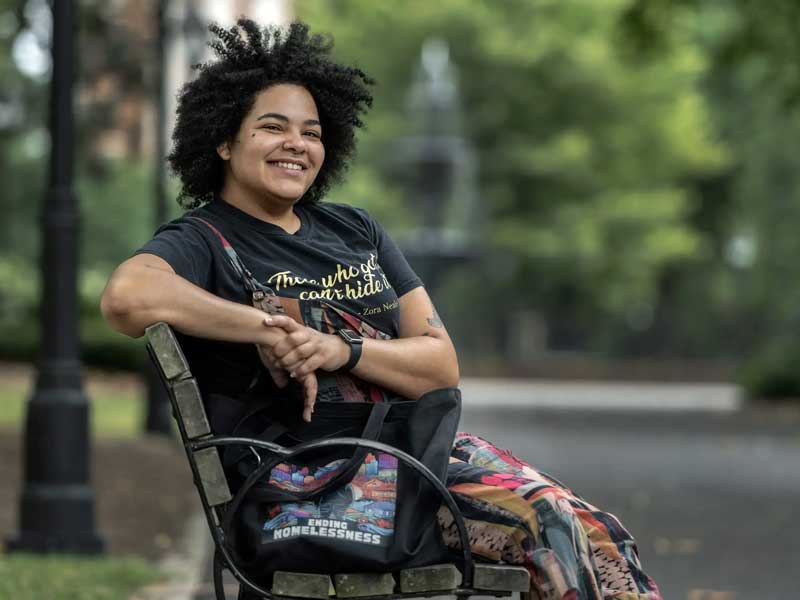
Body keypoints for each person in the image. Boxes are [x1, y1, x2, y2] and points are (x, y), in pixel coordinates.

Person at [101, 19, 662, 600]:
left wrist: (344, 348)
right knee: (550, 527)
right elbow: (127, 297)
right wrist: (266, 327)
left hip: (413, 458)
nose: (297, 144)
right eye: (273, 127)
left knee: (599, 534)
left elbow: (440, 365)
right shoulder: (205, 238)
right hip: (313, 482)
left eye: (312, 132)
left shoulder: (355, 229)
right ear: (223, 140)